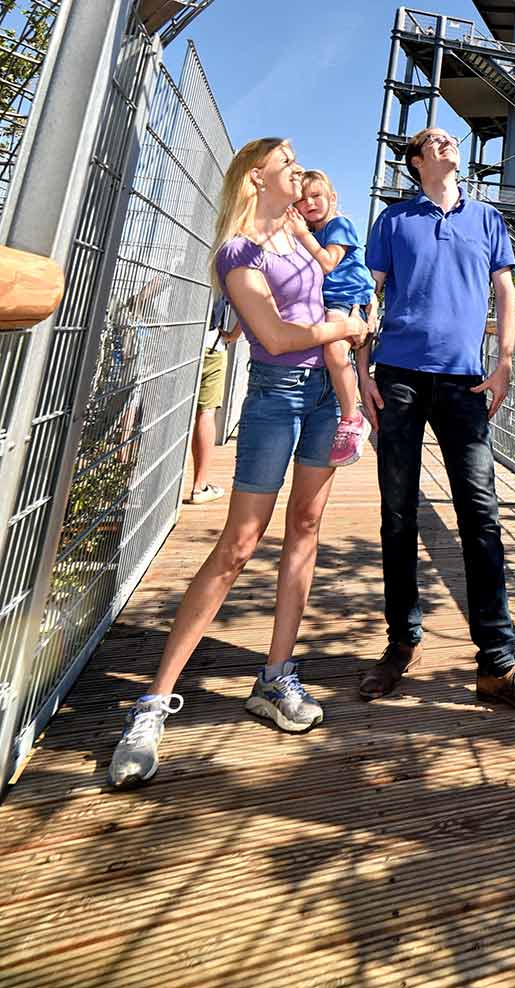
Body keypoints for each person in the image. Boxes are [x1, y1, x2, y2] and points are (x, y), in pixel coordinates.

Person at [107, 137, 367, 789]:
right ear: (259, 174)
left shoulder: (294, 230)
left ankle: (275, 676)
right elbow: (276, 337)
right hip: (276, 397)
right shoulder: (237, 253)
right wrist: (345, 330)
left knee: (305, 529)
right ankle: (151, 705)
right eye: (288, 160)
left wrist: (355, 315)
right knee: (238, 546)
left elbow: (335, 276)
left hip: (322, 397)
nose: (300, 164)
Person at [356, 126, 515, 719]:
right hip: (396, 374)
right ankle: (402, 642)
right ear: (417, 161)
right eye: (434, 140)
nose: (447, 142)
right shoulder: (393, 222)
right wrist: (362, 367)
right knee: (396, 514)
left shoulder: (488, 220)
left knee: (481, 513)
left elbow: (505, 293)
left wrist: (503, 363)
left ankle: (498, 665)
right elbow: (369, 296)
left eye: (451, 138)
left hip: (464, 381)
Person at [294, 169, 374, 467]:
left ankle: (351, 416)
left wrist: (301, 233)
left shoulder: (339, 224)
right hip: (330, 300)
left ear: (332, 197)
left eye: (316, 196)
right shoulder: (313, 233)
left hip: (346, 297)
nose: (310, 203)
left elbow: (328, 263)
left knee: (334, 349)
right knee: (330, 350)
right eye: (302, 199)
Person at [187, 294, 241, 505]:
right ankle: (199, 486)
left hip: (180, 342)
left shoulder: (182, 260)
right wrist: (233, 335)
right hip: (212, 345)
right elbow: (249, 303)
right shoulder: (221, 269)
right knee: (206, 412)